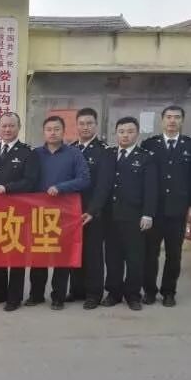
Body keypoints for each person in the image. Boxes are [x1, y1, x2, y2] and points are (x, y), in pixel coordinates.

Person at [27, 116, 90, 310]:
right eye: (49, 129)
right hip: (39, 213)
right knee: (38, 256)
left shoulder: (74, 154)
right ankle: (36, 295)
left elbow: (84, 179)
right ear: (43, 132)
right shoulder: (35, 154)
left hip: (65, 214)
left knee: (62, 257)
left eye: (56, 129)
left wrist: (61, 187)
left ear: (63, 131)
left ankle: (58, 297)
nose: (52, 133)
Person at [141, 105, 191, 307]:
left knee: (174, 254)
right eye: (168, 117)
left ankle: (169, 292)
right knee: (150, 254)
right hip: (154, 210)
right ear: (162, 120)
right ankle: (149, 291)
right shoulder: (149, 144)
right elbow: (144, 178)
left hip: (177, 209)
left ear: (182, 121)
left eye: (177, 117)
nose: (172, 121)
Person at [0, 112, 39, 312]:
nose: (7, 129)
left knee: (16, 255)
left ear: (18, 127)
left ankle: (14, 297)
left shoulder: (28, 152)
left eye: (11, 126)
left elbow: (30, 182)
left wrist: (7, 188)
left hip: (17, 212)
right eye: (4, 126)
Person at [102, 117, 157, 311]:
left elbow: (151, 188)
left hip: (135, 217)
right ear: (116, 133)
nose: (125, 135)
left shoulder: (146, 157)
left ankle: (133, 295)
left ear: (137, 134)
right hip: (111, 216)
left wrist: (148, 214)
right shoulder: (109, 154)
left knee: (135, 259)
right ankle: (114, 293)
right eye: (121, 131)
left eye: (130, 131)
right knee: (112, 258)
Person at [68, 108, 115, 310]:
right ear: (76, 126)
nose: (85, 127)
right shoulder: (70, 149)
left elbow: (104, 185)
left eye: (89, 123)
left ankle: (94, 294)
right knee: (75, 250)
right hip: (71, 211)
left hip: (94, 212)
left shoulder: (104, 151)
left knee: (93, 254)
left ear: (96, 125)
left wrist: (93, 210)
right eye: (82, 123)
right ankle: (76, 290)